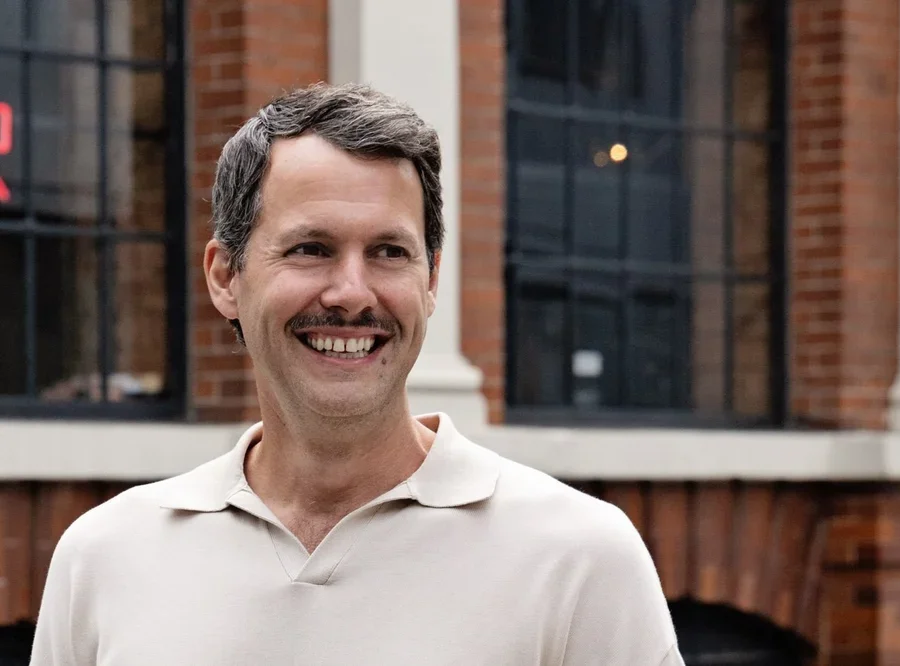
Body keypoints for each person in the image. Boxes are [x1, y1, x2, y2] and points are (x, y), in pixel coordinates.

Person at [29, 83, 685, 665]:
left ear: (431, 280)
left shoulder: (580, 558)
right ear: (226, 277)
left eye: (389, 252)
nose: (351, 293)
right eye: (311, 249)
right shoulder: (105, 556)